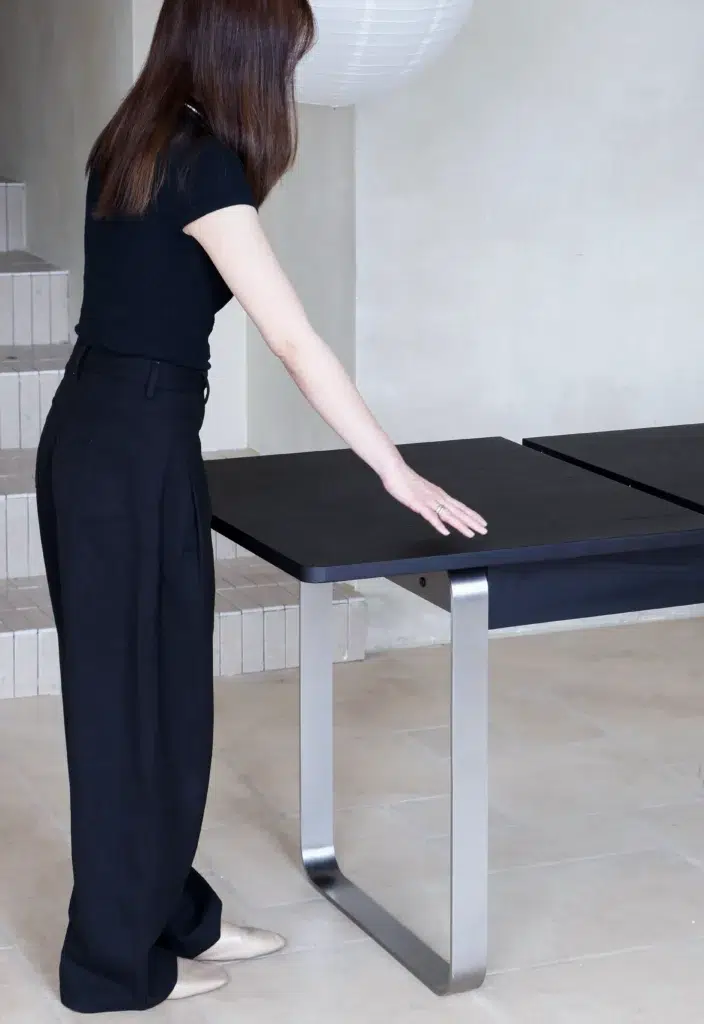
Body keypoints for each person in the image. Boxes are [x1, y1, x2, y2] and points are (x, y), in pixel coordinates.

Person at [34, 0, 487, 1013]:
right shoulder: (199, 163)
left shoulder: (138, 138)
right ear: (243, 50)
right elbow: (293, 338)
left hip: (110, 434)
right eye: (285, 53)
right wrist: (394, 470)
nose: (290, 72)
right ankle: (110, 968)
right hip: (127, 449)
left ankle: (173, 913)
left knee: (162, 704)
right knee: (129, 713)